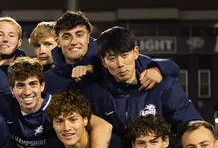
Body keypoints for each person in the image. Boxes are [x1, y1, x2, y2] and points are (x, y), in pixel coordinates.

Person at [44, 10, 176, 95]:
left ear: (88, 37)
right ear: (58, 41)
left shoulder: (110, 57)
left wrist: (158, 69)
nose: (73, 42)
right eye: (67, 36)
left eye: (79, 35)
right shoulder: (49, 77)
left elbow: (171, 66)